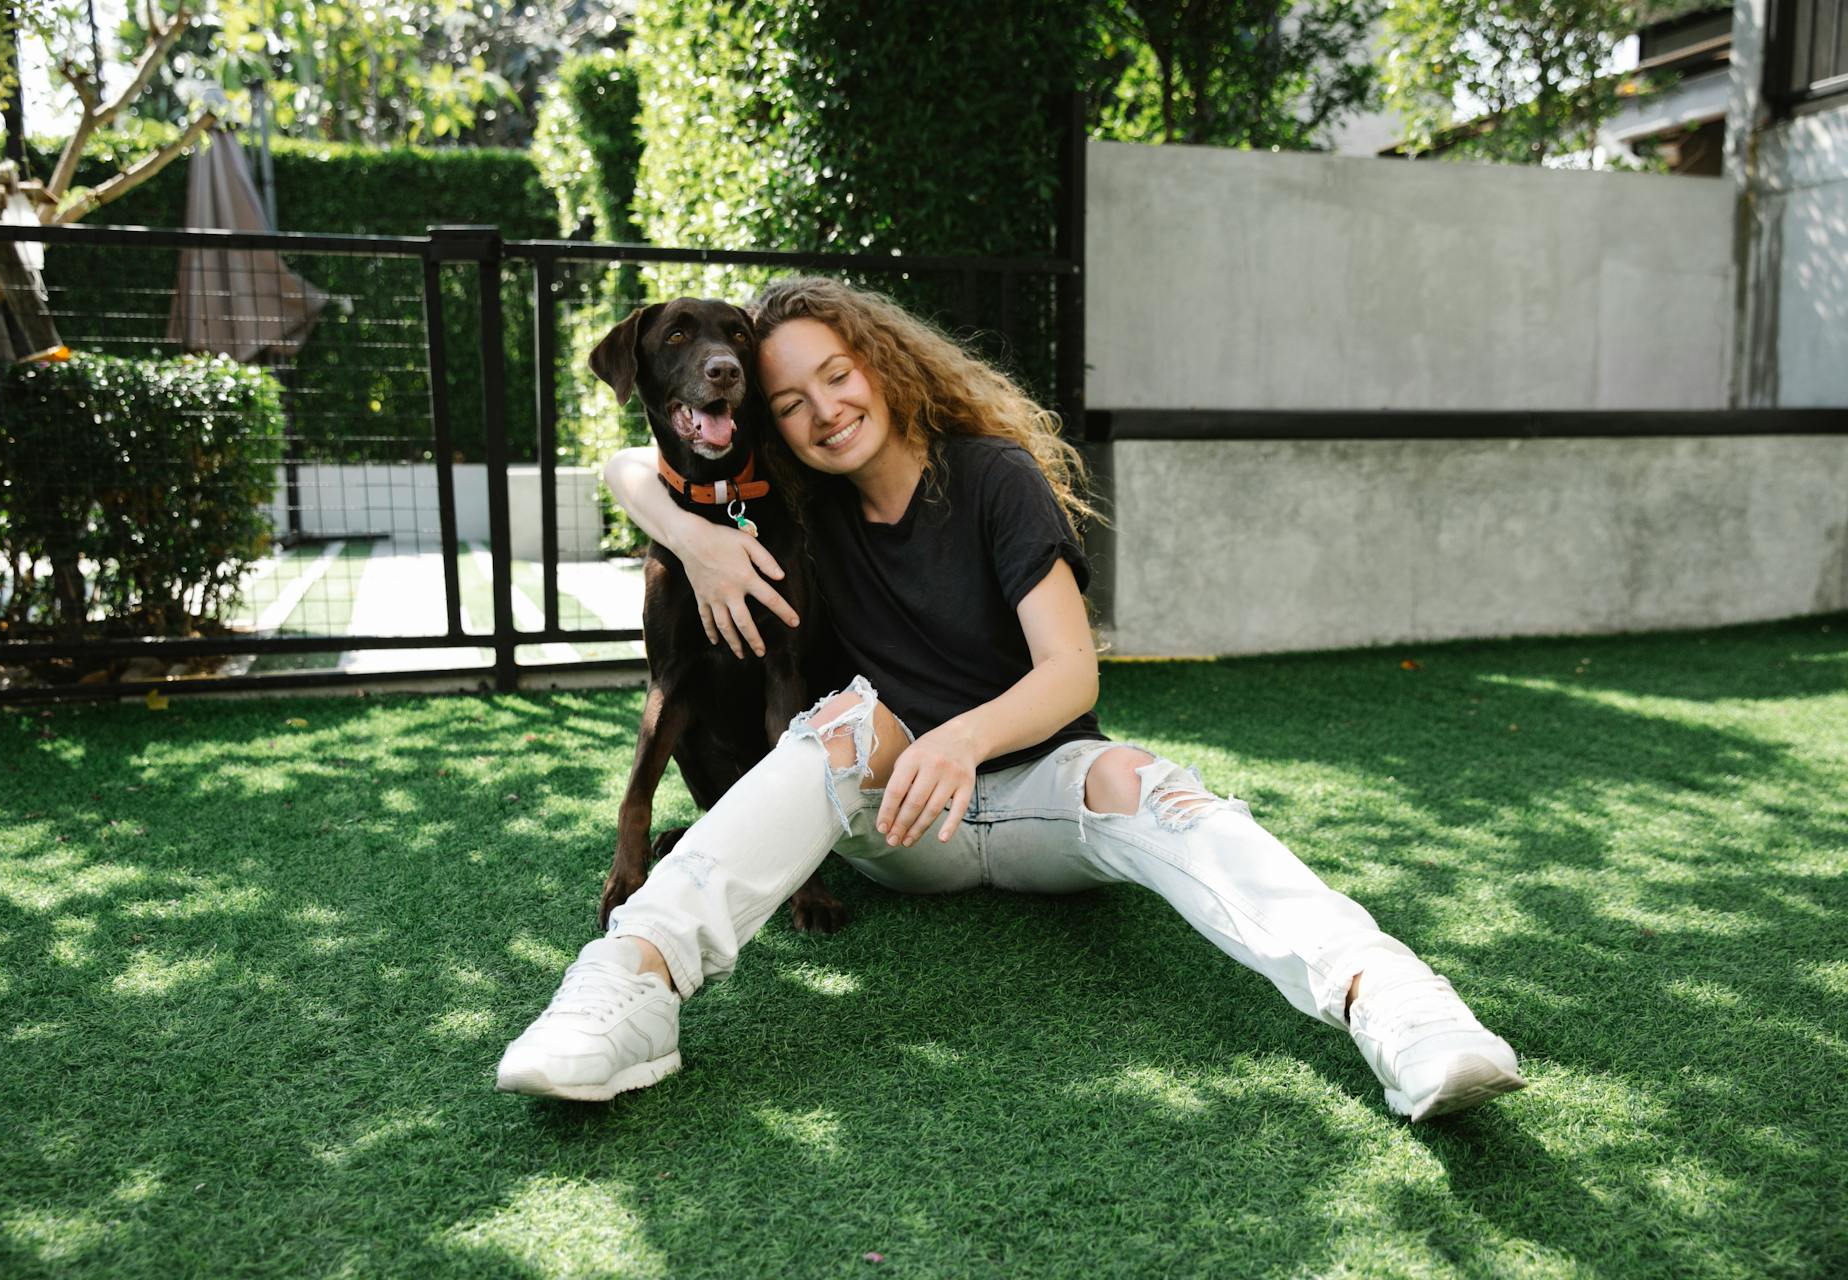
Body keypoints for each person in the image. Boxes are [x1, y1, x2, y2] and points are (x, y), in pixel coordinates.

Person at [495, 277, 1526, 1120]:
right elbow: (630, 462)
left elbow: (1071, 672)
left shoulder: (992, 477)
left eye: (838, 377)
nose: (822, 412)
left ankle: (1390, 998)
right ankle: (625, 985)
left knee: (1142, 777)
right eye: (791, 403)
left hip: (1038, 797)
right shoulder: (805, 495)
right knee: (838, 725)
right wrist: (694, 536)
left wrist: (961, 739)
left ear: (882, 365)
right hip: (901, 817)